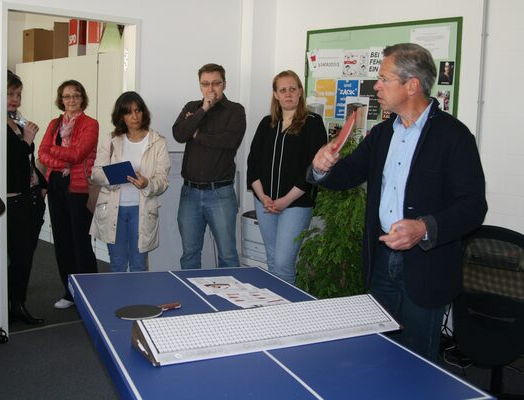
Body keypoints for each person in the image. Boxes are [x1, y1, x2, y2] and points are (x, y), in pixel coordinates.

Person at [308, 43, 487, 361]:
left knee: (417, 361)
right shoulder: (382, 134)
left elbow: (473, 206)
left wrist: (424, 228)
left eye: (383, 78)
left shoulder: (454, 137)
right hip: (381, 263)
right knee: (379, 352)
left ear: (412, 85)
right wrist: (322, 168)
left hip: (426, 268)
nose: (376, 85)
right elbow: (346, 174)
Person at [247, 70, 327, 284]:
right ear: (275, 95)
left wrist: (284, 201)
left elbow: (312, 169)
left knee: (283, 262)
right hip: (265, 202)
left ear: (300, 92)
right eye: (283, 90)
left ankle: (288, 312)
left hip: (296, 204)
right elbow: (252, 163)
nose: (288, 94)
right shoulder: (266, 123)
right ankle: (276, 308)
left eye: (292, 89)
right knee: (272, 260)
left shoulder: (313, 123)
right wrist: (263, 196)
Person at [172, 63, 246, 269]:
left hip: (220, 193)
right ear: (200, 85)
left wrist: (196, 133)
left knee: (228, 255)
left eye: (215, 83)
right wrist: (203, 109)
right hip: (190, 193)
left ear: (224, 84)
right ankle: (191, 299)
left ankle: (230, 301)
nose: (210, 89)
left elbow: (229, 142)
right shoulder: (191, 107)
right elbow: (179, 134)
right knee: (189, 255)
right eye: (205, 84)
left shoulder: (236, 111)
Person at [90, 92, 170, 271]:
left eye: (138, 110)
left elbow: (162, 180)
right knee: (117, 264)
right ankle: (119, 300)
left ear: (144, 112)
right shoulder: (111, 139)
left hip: (142, 209)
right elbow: (95, 173)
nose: (134, 116)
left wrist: (147, 183)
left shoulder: (157, 141)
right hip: (113, 208)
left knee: (139, 265)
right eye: (128, 112)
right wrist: (113, 177)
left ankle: (138, 300)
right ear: (120, 116)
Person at [38, 80, 99, 309]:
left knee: (80, 240)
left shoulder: (90, 124)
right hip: (56, 184)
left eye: (75, 95)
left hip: (78, 187)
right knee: (62, 240)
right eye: (66, 96)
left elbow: (78, 154)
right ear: (60, 100)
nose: (71, 100)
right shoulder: (54, 124)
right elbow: (42, 153)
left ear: (82, 98)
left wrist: (54, 152)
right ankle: (70, 291)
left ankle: (90, 291)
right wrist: (59, 155)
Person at [6, 71, 47, 324]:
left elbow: (28, 161)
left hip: (30, 195)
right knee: (18, 255)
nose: (15, 99)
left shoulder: (16, 120)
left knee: (26, 255)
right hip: (14, 199)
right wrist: (27, 140)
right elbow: (9, 162)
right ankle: (12, 304)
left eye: (18, 94)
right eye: (10, 94)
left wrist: (41, 184)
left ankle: (17, 303)